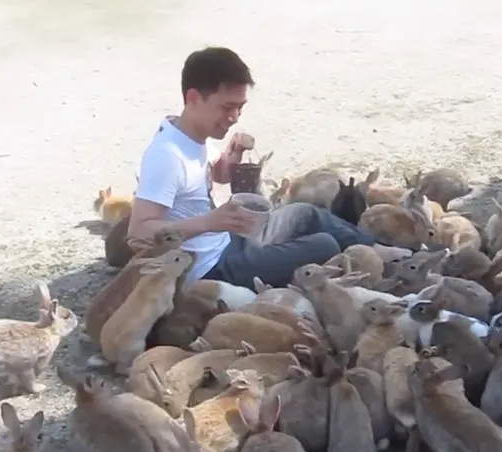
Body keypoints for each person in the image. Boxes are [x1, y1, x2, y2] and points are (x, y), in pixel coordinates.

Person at [128, 46, 410, 290]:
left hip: (226, 240)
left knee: (307, 213)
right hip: (210, 268)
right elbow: (138, 232)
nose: (234, 117)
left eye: (240, 107)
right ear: (193, 98)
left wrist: (233, 154)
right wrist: (209, 222)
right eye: (227, 107)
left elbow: (217, 174)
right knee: (324, 244)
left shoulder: (191, 136)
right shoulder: (166, 155)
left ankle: (378, 250)